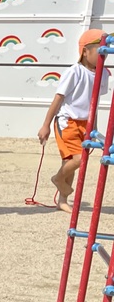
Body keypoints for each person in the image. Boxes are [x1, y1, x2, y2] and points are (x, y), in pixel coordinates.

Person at [37, 29, 109, 212]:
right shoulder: (74, 72)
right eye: (100, 48)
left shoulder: (104, 74)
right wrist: (46, 125)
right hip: (67, 121)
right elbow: (58, 98)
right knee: (78, 159)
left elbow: (94, 101)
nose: (105, 53)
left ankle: (62, 200)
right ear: (85, 51)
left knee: (69, 162)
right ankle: (57, 179)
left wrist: (94, 125)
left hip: (86, 123)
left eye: (106, 48)